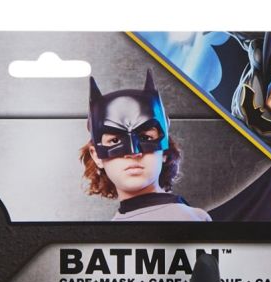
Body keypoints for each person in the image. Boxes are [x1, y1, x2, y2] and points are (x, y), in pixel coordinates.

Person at [80, 70, 210, 221]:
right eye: (115, 141)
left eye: (145, 137)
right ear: (96, 156)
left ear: (165, 150)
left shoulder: (188, 217)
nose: (133, 152)